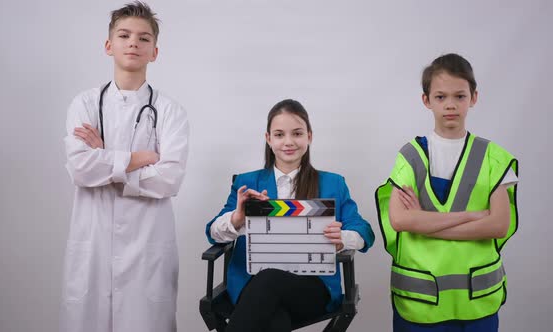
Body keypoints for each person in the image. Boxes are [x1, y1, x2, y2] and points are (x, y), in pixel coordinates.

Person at [60, 2, 188, 332]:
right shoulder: (84, 104)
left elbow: (169, 178)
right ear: (109, 45)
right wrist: (138, 158)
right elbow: (80, 169)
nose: (134, 43)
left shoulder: (170, 111)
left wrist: (106, 158)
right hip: (94, 243)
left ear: (154, 52)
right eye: (124, 35)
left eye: (144, 39)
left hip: (148, 245)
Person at [375, 53, 519, 332]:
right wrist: (474, 217)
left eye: (459, 96)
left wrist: (424, 223)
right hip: (420, 303)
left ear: (473, 98)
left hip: (477, 304)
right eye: (440, 97)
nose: (450, 105)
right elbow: (401, 221)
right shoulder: (411, 156)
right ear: (426, 100)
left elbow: (499, 225)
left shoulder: (494, 157)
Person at [206, 99, 375, 332]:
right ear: (268, 139)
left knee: (269, 282)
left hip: (311, 286)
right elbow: (213, 232)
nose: (288, 142)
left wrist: (343, 237)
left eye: (297, 133)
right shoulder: (247, 183)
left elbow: (365, 231)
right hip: (250, 283)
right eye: (279, 134)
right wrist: (236, 219)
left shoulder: (333, 183)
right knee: (274, 319)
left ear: (309, 137)